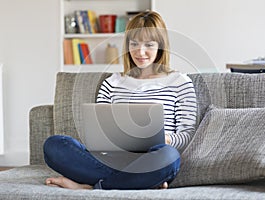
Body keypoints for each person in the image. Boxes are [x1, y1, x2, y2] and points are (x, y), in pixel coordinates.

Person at [43, 11, 197, 190]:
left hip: (152, 158)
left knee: (169, 157)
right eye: (134, 44)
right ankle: (136, 183)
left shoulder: (180, 82)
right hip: (111, 159)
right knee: (54, 145)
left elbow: (187, 136)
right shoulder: (112, 82)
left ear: (161, 46)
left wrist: (163, 138)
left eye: (149, 44)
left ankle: (92, 187)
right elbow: (98, 132)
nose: (140, 52)